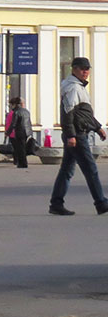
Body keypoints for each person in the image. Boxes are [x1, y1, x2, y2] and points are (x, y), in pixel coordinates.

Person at [49, 57, 108, 216]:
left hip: (78, 132)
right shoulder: (73, 88)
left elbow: (83, 113)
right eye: (82, 69)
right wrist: (71, 136)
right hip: (77, 135)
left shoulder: (79, 87)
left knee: (66, 170)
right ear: (73, 69)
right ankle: (101, 203)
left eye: (87, 69)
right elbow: (68, 113)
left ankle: (56, 203)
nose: (85, 72)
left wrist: (97, 127)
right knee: (91, 169)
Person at [7, 96, 33, 169]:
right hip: (27, 132)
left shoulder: (16, 112)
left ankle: (22, 163)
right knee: (24, 147)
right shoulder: (26, 111)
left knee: (20, 148)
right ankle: (23, 163)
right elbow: (29, 123)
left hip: (20, 132)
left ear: (15, 104)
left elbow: (13, 124)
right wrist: (30, 132)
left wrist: (8, 132)